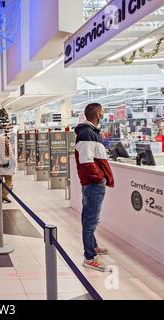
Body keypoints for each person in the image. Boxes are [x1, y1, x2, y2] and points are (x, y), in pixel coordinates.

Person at [75, 103, 114, 272]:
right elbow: (86, 161)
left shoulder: (90, 133)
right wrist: (100, 178)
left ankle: (93, 246)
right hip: (93, 184)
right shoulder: (87, 133)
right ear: (98, 114)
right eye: (103, 111)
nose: (103, 114)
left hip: (93, 184)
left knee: (90, 218)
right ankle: (89, 257)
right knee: (91, 220)